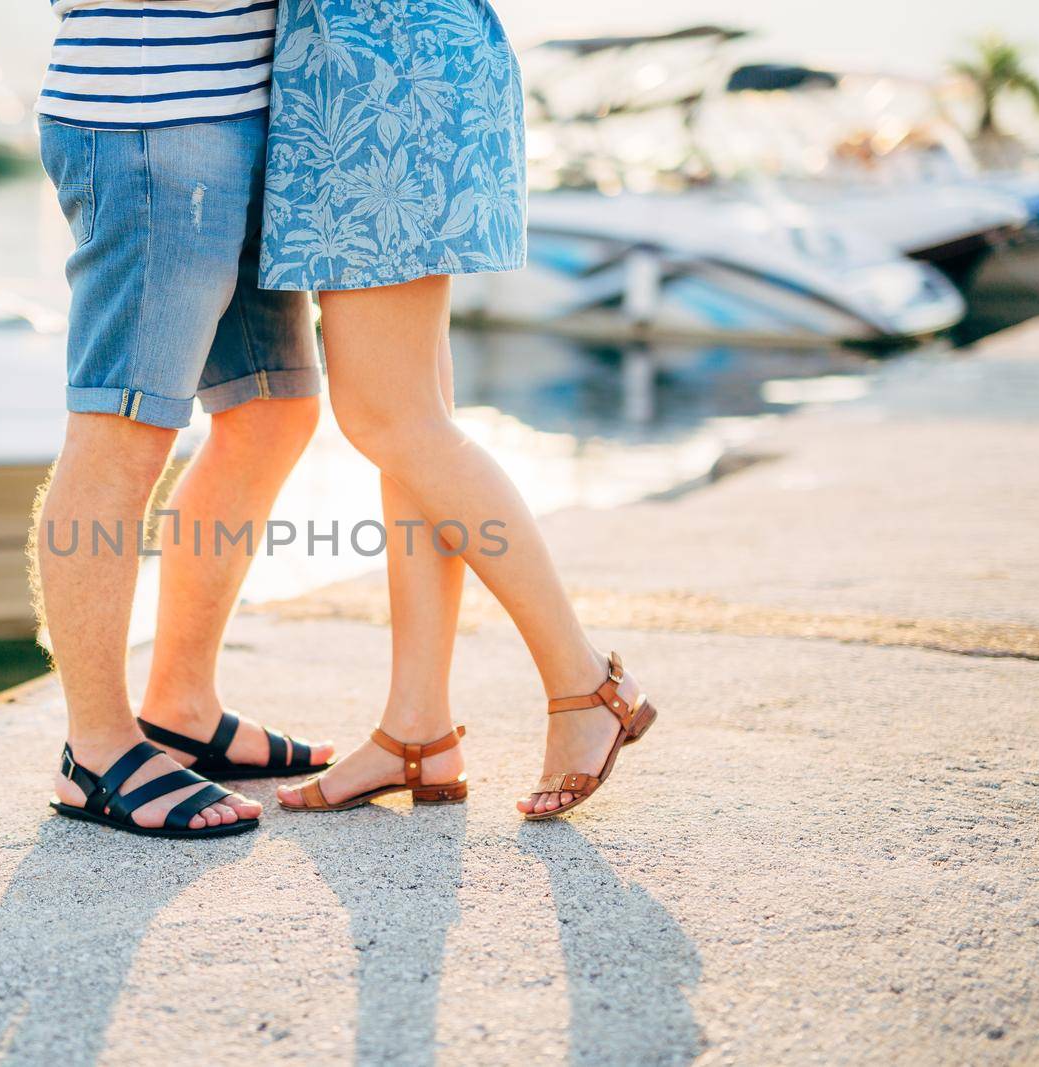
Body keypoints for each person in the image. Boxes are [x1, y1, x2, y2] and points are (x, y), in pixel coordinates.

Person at [262, 0, 659, 819]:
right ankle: (419, 728)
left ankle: (584, 684)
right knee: (413, 421)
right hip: (394, 62)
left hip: (376, 76)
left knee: (387, 418)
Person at [33, 0, 335, 839]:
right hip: (146, 121)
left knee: (274, 408)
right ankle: (96, 748)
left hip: (241, 114)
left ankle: (181, 705)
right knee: (123, 427)